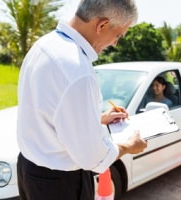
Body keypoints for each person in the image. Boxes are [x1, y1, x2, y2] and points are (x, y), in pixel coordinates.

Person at [16, 0, 147, 200]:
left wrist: (98, 119)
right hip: (60, 185)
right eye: (118, 35)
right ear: (102, 25)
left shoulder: (44, 45)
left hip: (29, 170)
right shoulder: (77, 70)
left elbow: (48, 112)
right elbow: (93, 158)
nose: (115, 43)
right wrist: (129, 145)